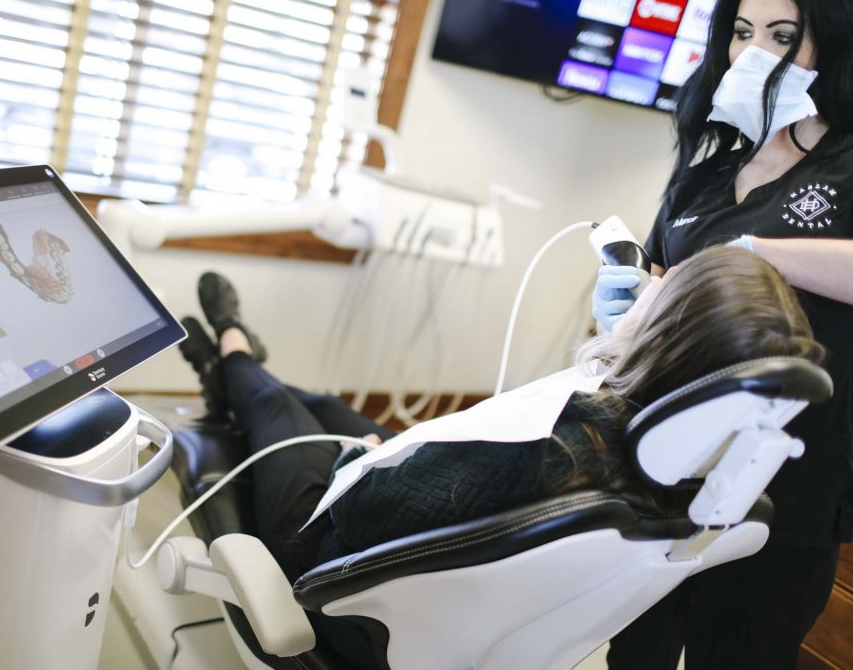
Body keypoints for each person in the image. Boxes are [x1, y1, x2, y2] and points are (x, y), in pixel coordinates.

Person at [181, 247, 822, 669]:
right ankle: (227, 374)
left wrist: (366, 456)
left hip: (329, 559)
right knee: (317, 404)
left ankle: (233, 350)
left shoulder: (561, 446)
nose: (650, 284)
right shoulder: (675, 479)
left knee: (272, 408)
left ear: (671, 332)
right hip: (441, 607)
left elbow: (371, 511)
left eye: (666, 285)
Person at [591, 0, 853, 667]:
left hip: (787, 476)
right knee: (638, 652)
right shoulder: (707, 174)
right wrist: (625, 309)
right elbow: (657, 275)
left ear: (830, 39)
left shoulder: (847, 164)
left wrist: (755, 255)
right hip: (664, 464)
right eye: (742, 32)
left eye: (783, 34)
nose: (755, 52)